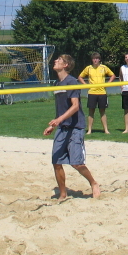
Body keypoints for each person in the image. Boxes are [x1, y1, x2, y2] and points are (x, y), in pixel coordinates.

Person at [43, 54, 101, 200]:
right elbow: (61, 109)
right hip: (62, 127)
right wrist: (54, 125)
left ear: (66, 65)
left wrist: (59, 119)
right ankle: (63, 194)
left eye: (59, 60)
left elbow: (75, 106)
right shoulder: (57, 84)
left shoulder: (72, 82)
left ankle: (93, 183)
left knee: (77, 163)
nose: (55, 61)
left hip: (75, 127)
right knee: (56, 162)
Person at [77, 52, 116, 134]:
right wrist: (85, 85)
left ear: (99, 60)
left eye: (97, 59)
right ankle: (89, 130)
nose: (95, 60)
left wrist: (108, 84)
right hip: (92, 92)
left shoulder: (104, 67)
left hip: (102, 92)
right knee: (91, 111)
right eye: (94, 59)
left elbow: (113, 75)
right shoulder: (88, 68)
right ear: (92, 60)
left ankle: (106, 129)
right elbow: (80, 77)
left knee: (102, 111)